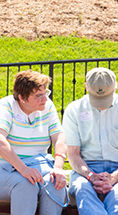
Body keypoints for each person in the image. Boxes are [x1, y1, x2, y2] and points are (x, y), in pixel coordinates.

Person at [0, 70, 68, 215]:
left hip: (35, 166)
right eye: (38, 96)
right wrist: (23, 169)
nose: (45, 99)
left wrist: (59, 167)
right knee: (25, 184)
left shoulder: (47, 106)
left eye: (45, 93)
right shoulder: (7, 105)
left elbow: (59, 137)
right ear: (22, 98)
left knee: (56, 183)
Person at [62, 67, 118, 215]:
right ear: (86, 87)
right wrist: (90, 176)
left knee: (117, 196)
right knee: (82, 189)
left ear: (116, 87)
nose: (101, 105)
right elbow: (73, 154)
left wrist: (113, 178)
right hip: (84, 170)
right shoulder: (73, 110)